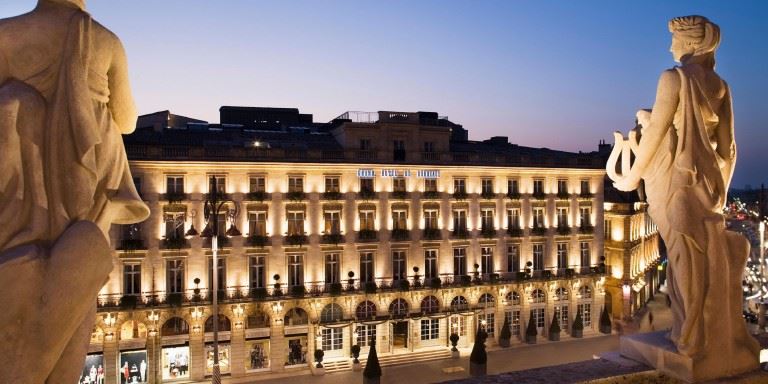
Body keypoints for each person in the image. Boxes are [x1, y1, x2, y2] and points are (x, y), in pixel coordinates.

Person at [612, 15, 759, 364]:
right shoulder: (721, 86)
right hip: (709, 185)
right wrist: (719, 189)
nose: (670, 47)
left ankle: (690, 337)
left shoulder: (673, 78)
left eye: (675, 40)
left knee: (684, 259)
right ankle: (703, 336)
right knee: (701, 256)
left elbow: (657, 133)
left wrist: (632, 177)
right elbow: (729, 148)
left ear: (692, 43)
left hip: (677, 183)